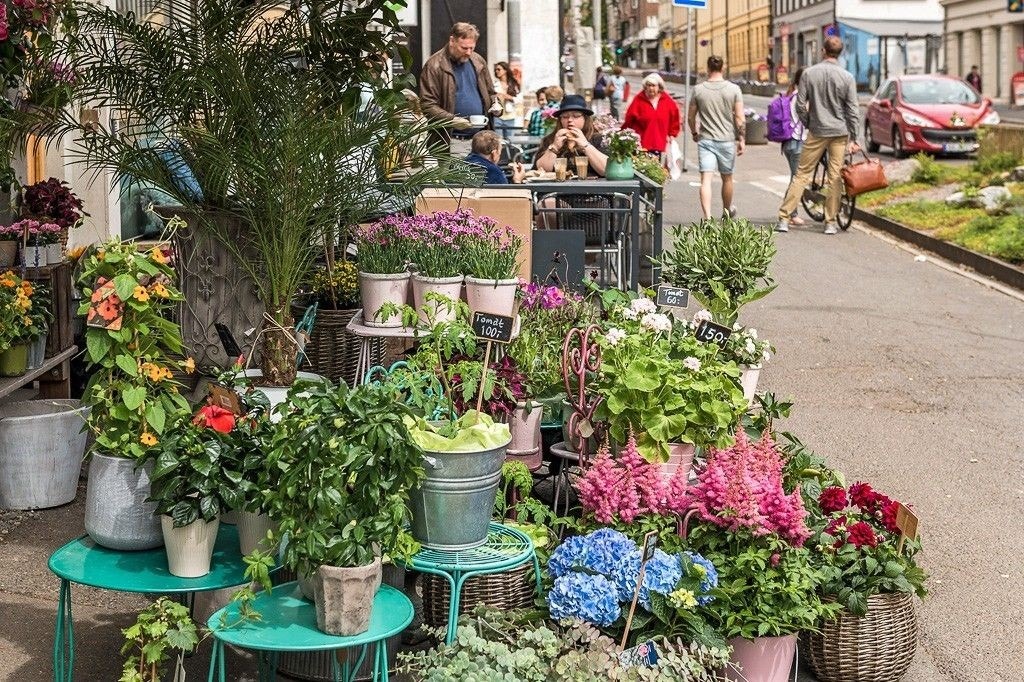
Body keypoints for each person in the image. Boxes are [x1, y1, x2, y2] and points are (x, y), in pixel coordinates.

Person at [775, 36, 861, 235]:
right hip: (839, 133)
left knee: (802, 174)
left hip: (817, 131)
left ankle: (784, 218)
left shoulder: (809, 74)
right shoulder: (847, 77)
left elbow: (799, 104)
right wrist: (855, 138)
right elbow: (853, 110)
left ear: (823, 51)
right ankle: (830, 223)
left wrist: (809, 123)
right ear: (840, 53)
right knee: (834, 177)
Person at [419, 22, 500, 156]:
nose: (468, 53)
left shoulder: (478, 60)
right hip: (452, 141)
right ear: (452, 41)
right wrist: (453, 120)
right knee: (457, 177)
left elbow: (491, 93)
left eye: (471, 48)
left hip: (481, 141)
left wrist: (497, 105)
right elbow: (427, 104)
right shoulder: (434, 65)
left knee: (482, 177)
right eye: (464, 48)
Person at [688, 56, 745, 220]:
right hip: (726, 140)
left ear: (708, 68)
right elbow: (740, 118)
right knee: (727, 178)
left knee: (706, 179)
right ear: (723, 68)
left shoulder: (699, 90)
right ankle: (726, 212)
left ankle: (707, 216)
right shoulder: (734, 89)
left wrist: (694, 133)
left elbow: (691, 117)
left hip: (705, 140)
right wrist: (741, 139)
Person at [535, 94, 609, 177]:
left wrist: (585, 145)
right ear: (560, 120)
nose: (570, 120)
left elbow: (607, 170)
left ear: (585, 118)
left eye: (576, 116)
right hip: (557, 189)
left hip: (592, 188)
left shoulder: (598, 139)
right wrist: (554, 147)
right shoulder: (550, 140)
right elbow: (539, 172)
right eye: (565, 116)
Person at [624, 72, 681, 162]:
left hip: (658, 141)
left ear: (659, 87)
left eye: (653, 85)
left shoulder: (667, 101)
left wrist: (672, 134)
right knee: (641, 166)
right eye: (648, 85)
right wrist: (625, 132)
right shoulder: (638, 99)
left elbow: (674, 118)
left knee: (654, 167)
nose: (651, 88)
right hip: (641, 142)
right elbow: (629, 118)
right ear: (645, 87)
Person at [781, 67, 807, 226]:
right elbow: (806, 117)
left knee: (794, 178)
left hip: (789, 142)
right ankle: (790, 213)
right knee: (797, 180)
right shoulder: (800, 98)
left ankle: (789, 211)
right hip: (796, 142)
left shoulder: (790, 94)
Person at [492, 61, 521, 139]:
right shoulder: (494, 84)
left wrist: (508, 97)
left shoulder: (513, 84)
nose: (496, 71)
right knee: (498, 140)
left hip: (510, 116)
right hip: (498, 116)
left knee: (510, 141)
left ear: (505, 70)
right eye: (495, 70)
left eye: (499, 69)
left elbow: (519, 100)